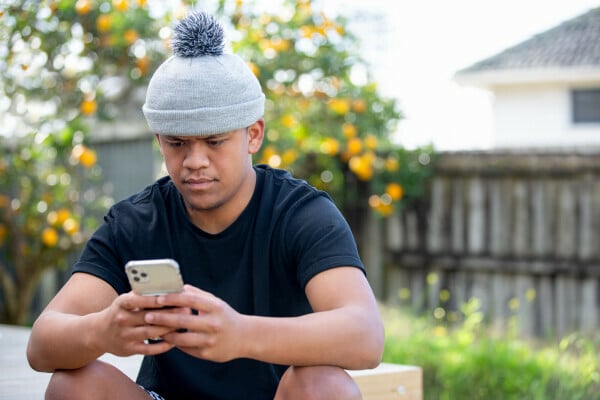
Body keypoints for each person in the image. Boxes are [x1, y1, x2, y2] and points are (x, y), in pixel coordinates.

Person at [26, 11, 384, 400]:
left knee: (325, 387)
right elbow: (42, 344)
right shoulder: (137, 221)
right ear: (159, 139)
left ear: (254, 134)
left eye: (214, 141)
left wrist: (240, 334)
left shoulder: (300, 214)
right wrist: (102, 330)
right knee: (73, 385)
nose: (194, 160)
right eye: (177, 143)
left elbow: (366, 336)